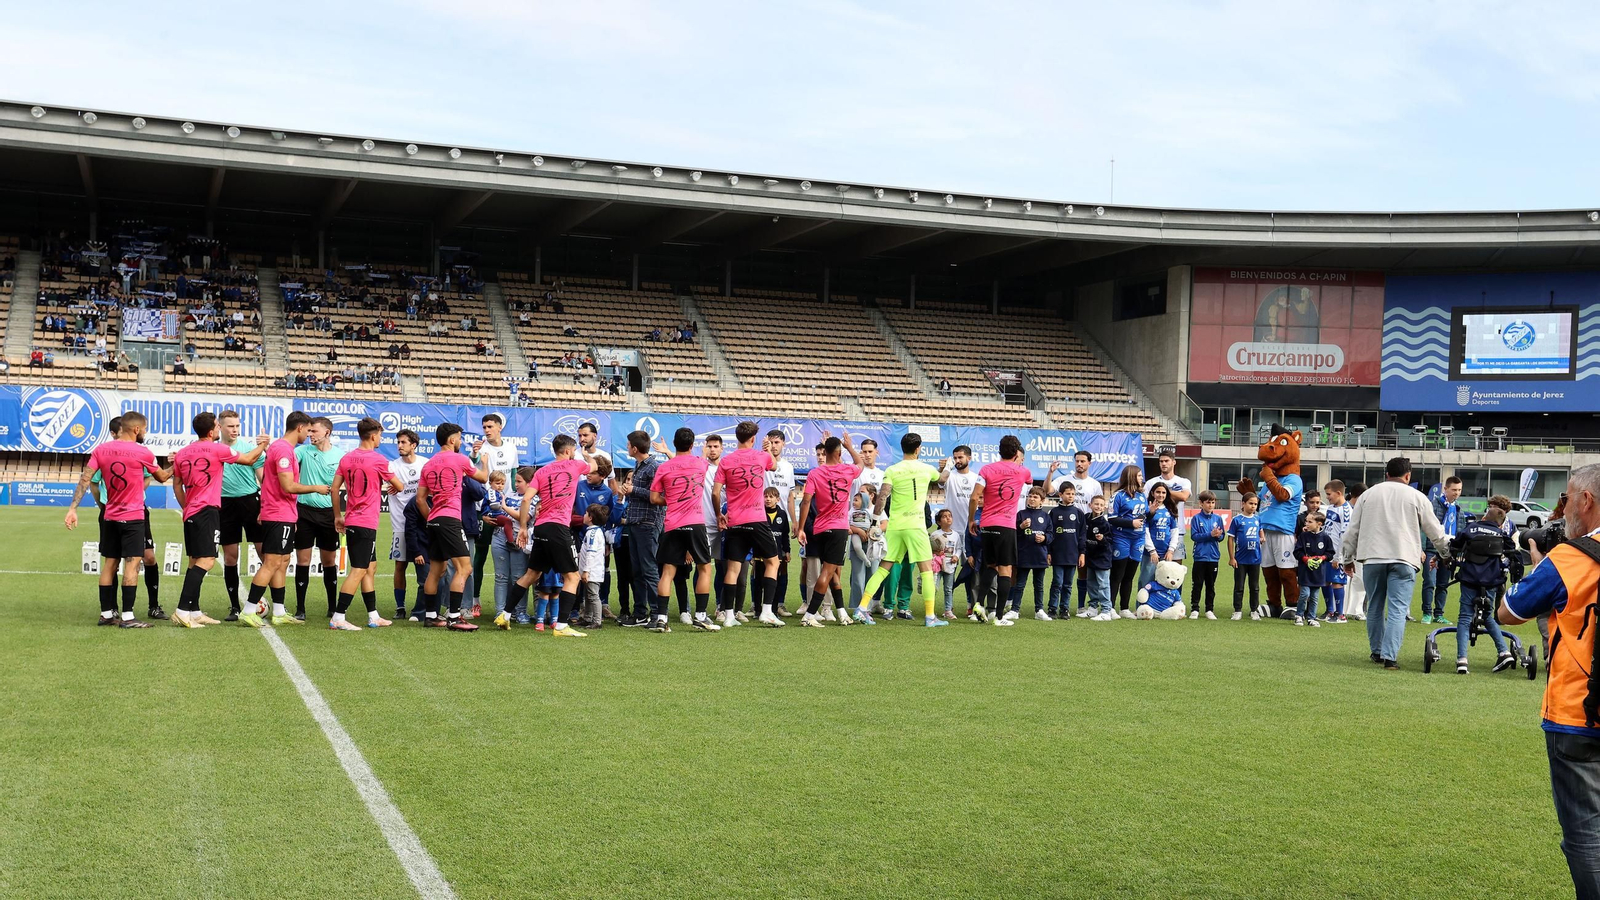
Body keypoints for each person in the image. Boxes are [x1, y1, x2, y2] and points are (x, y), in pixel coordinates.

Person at [1497, 464, 1600, 898]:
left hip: (1577, 712)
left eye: (1568, 498)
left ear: (1587, 501)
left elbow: (1508, 613)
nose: (1565, 509)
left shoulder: (1570, 558)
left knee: (1586, 831)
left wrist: (1539, 562)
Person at [63, 412, 172, 628]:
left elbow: (86, 479)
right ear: (137, 429)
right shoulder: (143, 452)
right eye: (146, 428)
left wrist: (72, 508)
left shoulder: (101, 449)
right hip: (132, 517)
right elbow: (162, 477)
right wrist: (177, 465)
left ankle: (106, 614)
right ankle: (129, 617)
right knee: (132, 564)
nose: (145, 432)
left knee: (109, 564)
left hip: (110, 515)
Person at [1342, 456, 1449, 670]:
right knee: (1398, 609)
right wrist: (1446, 554)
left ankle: (1377, 651)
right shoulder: (1417, 496)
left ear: (1386, 474)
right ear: (1408, 476)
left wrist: (1347, 558)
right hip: (1404, 557)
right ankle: (1390, 657)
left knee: (1375, 607)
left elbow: (1352, 530)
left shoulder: (1367, 495)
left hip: (1372, 558)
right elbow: (1435, 531)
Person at [170, 412, 268, 627]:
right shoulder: (218, 449)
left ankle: (194, 611)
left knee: (195, 560)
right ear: (213, 430)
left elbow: (176, 484)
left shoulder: (183, 453)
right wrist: (263, 445)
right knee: (207, 561)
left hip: (193, 511)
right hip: (209, 510)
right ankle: (182, 610)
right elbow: (250, 459)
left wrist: (187, 507)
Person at [497, 432, 600, 636]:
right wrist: (586, 454)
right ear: (569, 451)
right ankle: (561, 625)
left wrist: (524, 527)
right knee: (572, 577)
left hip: (542, 527)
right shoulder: (576, 465)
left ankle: (505, 615)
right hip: (559, 527)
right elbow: (595, 466)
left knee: (531, 574)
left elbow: (526, 500)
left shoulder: (542, 471)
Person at [242, 411, 330, 626]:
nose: (308, 434)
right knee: (272, 562)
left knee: (282, 561)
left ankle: (279, 612)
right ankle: (248, 610)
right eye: (308, 430)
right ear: (299, 428)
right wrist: (316, 488)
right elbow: (288, 486)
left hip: (285, 513)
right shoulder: (283, 450)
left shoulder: (284, 449)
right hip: (278, 514)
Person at [859, 433, 946, 627]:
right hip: (916, 527)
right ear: (918, 449)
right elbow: (942, 478)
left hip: (896, 527)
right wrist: (946, 466)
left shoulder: (892, 469)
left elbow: (882, 497)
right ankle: (930, 616)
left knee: (884, 569)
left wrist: (875, 522)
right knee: (926, 571)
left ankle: (862, 608)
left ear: (902, 447)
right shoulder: (927, 469)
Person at [330, 417, 405, 630]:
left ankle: (373, 615)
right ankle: (338, 616)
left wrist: (338, 515)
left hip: (352, 519)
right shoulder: (378, 460)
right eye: (380, 435)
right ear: (373, 435)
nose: (381, 438)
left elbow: (335, 489)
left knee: (370, 567)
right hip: (365, 522)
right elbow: (398, 485)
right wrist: (393, 486)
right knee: (359, 569)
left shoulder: (347, 458)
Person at [416, 424, 489, 630]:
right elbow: (483, 479)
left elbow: (420, 499)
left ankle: (430, 617)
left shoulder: (428, 464)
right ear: (451, 440)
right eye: (459, 438)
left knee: (436, 570)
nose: (460, 442)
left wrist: (432, 519)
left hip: (435, 520)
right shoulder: (459, 459)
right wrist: (484, 463)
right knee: (464, 567)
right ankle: (455, 618)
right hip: (450, 520)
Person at [649, 427, 721, 632]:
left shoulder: (664, 468)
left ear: (674, 443)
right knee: (704, 568)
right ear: (691, 445)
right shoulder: (700, 464)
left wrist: (671, 500)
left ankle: (661, 619)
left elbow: (654, 498)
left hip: (672, 524)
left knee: (667, 572)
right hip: (696, 523)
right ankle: (700, 616)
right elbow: (696, 462)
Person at [715, 421, 785, 627]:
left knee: (732, 569)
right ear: (753, 439)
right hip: (757, 519)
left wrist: (720, 514)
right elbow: (774, 465)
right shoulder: (761, 456)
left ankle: (728, 616)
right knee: (773, 562)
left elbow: (714, 491)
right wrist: (768, 449)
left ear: (737, 437)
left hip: (735, 521)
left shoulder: (726, 460)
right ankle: (766, 612)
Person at [795, 433, 864, 628]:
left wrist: (801, 528)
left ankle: (841, 612)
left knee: (832, 572)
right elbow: (860, 464)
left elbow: (806, 501)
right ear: (840, 453)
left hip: (819, 528)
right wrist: (850, 446)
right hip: (838, 528)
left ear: (824, 453)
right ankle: (810, 614)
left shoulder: (815, 473)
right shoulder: (848, 471)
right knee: (827, 572)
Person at [967, 434, 1031, 626]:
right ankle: (999, 617)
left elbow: (974, 497)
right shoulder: (1022, 471)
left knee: (991, 566)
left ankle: (979, 605)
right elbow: (1034, 484)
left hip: (986, 524)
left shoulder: (986, 469)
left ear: (999, 450)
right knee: (1006, 570)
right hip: (1006, 525)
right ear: (1016, 452)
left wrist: (972, 519)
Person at [1448, 505, 1518, 675]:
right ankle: (1504, 651)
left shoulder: (1471, 528)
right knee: (1487, 616)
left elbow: (1455, 544)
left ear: (1484, 517)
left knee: (1464, 617)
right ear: (1500, 524)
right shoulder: (1501, 534)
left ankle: (1462, 659)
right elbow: (1512, 550)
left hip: (1470, 578)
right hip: (1492, 581)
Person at [292, 417, 344, 620]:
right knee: (302, 560)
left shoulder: (340, 456)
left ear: (327, 433)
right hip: (304, 512)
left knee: (329, 561)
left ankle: (332, 607)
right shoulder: (302, 451)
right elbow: (280, 460)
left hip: (328, 514)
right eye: (309, 431)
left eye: (314, 431)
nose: (310, 434)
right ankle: (300, 609)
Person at [468, 413, 520, 617]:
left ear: (499, 427)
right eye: (484, 427)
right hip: (486, 510)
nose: (486, 430)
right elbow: (472, 473)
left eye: (490, 426)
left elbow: (514, 475)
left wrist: (514, 500)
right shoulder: (482, 449)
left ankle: (509, 605)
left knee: (510, 557)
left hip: (507, 511)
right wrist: (474, 455)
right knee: (479, 557)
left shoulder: (511, 448)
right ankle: (475, 600)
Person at [217, 409, 266, 621]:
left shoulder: (250, 449)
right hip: (225, 505)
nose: (235, 429)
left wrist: (264, 507)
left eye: (237, 426)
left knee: (265, 554)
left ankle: (262, 600)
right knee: (230, 557)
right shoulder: (214, 450)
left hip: (250, 502)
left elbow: (264, 480)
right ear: (220, 427)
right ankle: (234, 607)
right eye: (230, 426)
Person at [616, 430, 665, 629]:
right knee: (637, 571)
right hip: (635, 522)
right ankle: (640, 613)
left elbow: (659, 495)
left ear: (635, 448)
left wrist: (634, 489)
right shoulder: (639, 465)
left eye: (628, 445)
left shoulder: (654, 467)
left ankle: (656, 613)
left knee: (649, 570)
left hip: (648, 523)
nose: (627, 448)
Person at [387, 429, 429, 620]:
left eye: (404, 442)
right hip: (400, 524)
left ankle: (426, 606)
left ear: (414, 445)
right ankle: (400, 607)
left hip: (422, 523)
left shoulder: (425, 464)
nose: (400, 446)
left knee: (427, 565)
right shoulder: (392, 466)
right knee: (400, 565)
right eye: (398, 442)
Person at [488, 469, 530, 621]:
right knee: (501, 577)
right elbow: (491, 510)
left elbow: (522, 517)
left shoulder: (532, 497)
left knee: (519, 577)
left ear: (529, 483)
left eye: (519, 482)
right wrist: (487, 518)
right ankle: (500, 612)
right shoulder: (509, 494)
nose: (516, 484)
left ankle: (520, 612)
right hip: (499, 536)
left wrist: (504, 507)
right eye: (516, 481)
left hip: (519, 538)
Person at [1108, 465, 1148, 619]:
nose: (1141, 478)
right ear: (1131, 477)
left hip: (1138, 538)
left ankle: (1124, 607)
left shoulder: (1141, 496)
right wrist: (1130, 524)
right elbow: (1112, 518)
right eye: (1138, 476)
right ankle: (1110, 606)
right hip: (1121, 538)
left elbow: (1142, 517)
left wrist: (1149, 513)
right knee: (1117, 574)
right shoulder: (1118, 495)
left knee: (1130, 575)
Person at [1422, 475, 1463, 625]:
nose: (1456, 493)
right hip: (1432, 549)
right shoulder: (1433, 505)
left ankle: (1438, 614)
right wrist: (1422, 549)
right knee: (1429, 582)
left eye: (1459, 490)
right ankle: (1427, 612)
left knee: (1443, 584)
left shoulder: (1458, 509)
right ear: (1445, 489)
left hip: (1449, 551)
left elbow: (1460, 531)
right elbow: (1424, 527)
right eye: (1454, 490)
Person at [1012, 486, 1052, 620]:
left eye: (1035, 497)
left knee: (1039, 585)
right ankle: (1015, 610)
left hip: (1039, 555)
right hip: (1024, 554)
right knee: (1020, 584)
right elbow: (1014, 534)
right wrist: (1021, 527)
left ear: (1042, 500)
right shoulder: (1021, 514)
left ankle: (1039, 610)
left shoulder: (1045, 516)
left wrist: (1044, 538)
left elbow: (1051, 535)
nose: (1032, 499)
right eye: (1030, 496)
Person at [1046, 483, 1084, 619]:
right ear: (1060, 495)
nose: (1071, 496)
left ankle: (1064, 609)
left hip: (1072, 555)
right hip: (1057, 554)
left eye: (1073, 494)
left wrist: (1082, 553)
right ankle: (1052, 608)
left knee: (1068, 584)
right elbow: (1050, 533)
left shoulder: (1078, 513)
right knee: (1057, 582)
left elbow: (1082, 535)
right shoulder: (1054, 512)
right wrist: (1049, 552)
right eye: (1068, 494)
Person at [1148, 451, 1192, 561]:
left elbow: (1184, 496)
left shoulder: (1183, 481)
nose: (1163, 464)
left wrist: (1162, 490)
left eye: (1166, 461)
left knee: (1175, 571)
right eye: (1161, 461)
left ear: (1174, 462)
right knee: (1152, 570)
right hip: (1155, 529)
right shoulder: (1151, 483)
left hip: (1177, 529)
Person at [1188, 490, 1225, 620]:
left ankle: (1209, 609)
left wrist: (1218, 536)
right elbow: (1194, 536)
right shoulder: (1196, 518)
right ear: (1201, 503)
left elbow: (1222, 537)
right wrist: (1210, 534)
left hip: (1213, 557)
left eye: (1213, 502)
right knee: (1197, 583)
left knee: (1211, 584)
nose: (1210, 505)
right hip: (1200, 557)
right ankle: (1195, 608)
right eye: (1208, 502)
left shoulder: (1218, 519)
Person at [1294, 511, 1333, 627]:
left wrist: (1322, 558)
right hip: (1305, 571)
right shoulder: (1303, 536)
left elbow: (1330, 553)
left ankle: (1311, 617)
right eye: (1306, 521)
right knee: (1305, 594)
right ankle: (1299, 615)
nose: (1306, 523)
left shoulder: (1325, 538)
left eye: (1310, 521)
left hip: (1318, 572)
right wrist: (1306, 559)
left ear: (1319, 524)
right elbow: (1297, 552)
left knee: (1315, 597)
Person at [1228, 494, 1263, 620]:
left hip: (1255, 559)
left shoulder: (1257, 519)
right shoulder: (1237, 520)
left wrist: (1262, 537)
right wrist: (1232, 557)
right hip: (1241, 560)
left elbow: (1261, 530)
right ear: (1243, 504)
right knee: (1239, 586)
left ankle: (1254, 610)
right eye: (1250, 503)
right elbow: (1231, 538)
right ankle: (1237, 610)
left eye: (1255, 504)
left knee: (1254, 587)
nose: (1253, 506)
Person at [1322, 480, 1352, 623]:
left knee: (1337, 581)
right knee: (1325, 580)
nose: (1327, 497)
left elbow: (1344, 536)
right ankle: (1330, 611)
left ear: (1339, 493)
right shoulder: (1331, 508)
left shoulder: (1346, 511)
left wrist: (1338, 557)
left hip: (1336, 554)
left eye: (1329, 494)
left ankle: (1340, 615)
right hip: (1326, 552)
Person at [577, 503, 609, 630]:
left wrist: (586, 571)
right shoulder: (594, 531)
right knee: (588, 595)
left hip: (592, 571)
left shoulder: (593, 534)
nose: (583, 516)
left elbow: (591, 553)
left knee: (593, 595)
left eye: (585, 514)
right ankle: (587, 618)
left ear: (590, 518)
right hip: (592, 570)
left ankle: (597, 620)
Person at [1083, 494, 1116, 620]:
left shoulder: (1104, 523)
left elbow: (1110, 540)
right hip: (1090, 557)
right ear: (1090, 505)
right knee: (1091, 583)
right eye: (1096, 504)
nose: (1098, 507)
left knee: (1103, 584)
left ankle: (1106, 610)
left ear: (1104, 508)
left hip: (1103, 558)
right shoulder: (1086, 518)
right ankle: (1093, 607)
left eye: (1101, 505)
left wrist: (1102, 539)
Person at [1342, 483, 1369, 620]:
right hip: (1347, 548)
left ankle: (1356, 610)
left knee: (1360, 579)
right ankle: (1343, 609)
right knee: (1345, 579)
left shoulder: (1363, 510)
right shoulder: (1347, 509)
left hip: (1360, 548)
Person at [933, 508, 961, 619]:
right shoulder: (935, 534)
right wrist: (936, 552)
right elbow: (929, 548)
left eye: (949, 516)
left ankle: (948, 610)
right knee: (934, 587)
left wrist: (956, 556)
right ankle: (931, 610)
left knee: (948, 588)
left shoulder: (956, 535)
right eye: (944, 516)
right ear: (939, 522)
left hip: (950, 565)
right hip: (937, 565)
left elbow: (958, 548)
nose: (948, 518)